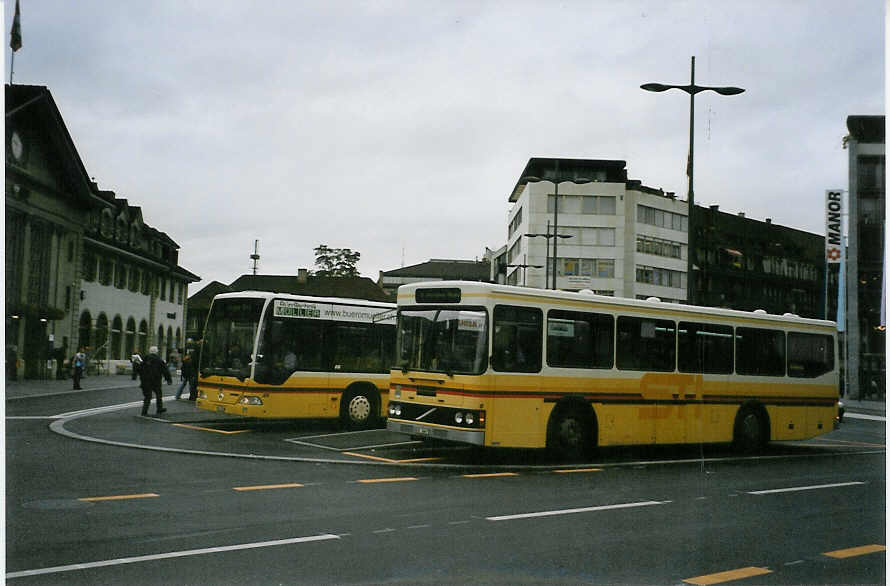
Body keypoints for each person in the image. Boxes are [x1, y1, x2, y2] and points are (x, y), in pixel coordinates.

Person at [140, 345, 171, 416]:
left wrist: (140, 377)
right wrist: (168, 379)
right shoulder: (159, 360)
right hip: (156, 381)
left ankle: (144, 411)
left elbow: (139, 368)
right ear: (156, 352)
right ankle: (159, 408)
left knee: (147, 396)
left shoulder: (144, 358)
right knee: (159, 394)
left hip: (145, 381)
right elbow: (165, 370)